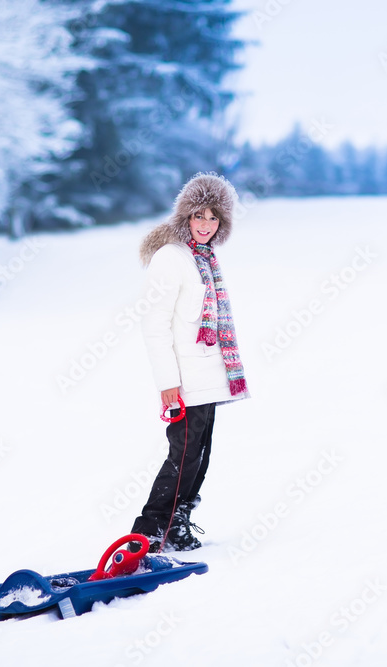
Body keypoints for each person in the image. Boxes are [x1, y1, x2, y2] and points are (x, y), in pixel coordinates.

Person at [130, 172, 250, 552]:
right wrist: (168, 383)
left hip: (209, 377)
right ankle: (149, 531)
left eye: (214, 218)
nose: (206, 225)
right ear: (185, 218)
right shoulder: (171, 258)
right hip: (185, 380)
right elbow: (155, 324)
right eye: (199, 216)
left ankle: (177, 521)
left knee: (199, 456)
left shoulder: (205, 259)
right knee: (182, 457)